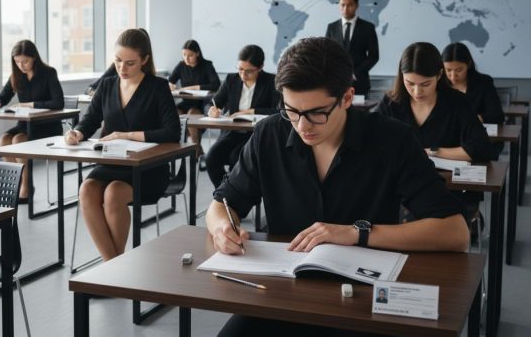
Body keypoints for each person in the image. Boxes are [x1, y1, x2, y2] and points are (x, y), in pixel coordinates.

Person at [206, 37, 468, 336]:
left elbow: (455, 232)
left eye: (317, 113)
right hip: (282, 293)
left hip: (362, 298)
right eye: (291, 111)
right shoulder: (270, 133)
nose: (302, 126)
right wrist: (222, 228)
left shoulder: (392, 139)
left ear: (346, 98)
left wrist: (357, 233)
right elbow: (222, 203)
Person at [64, 28, 180, 261]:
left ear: (144, 60)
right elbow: (90, 120)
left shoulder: (158, 87)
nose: (122, 68)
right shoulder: (107, 85)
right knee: (87, 190)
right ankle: (113, 265)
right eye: (118, 61)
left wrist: (126, 135)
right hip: (112, 162)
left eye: (130, 63)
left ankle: (111, 268)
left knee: (114, 193)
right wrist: (77, 132)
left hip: (148, 168)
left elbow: (172, 132)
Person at [376, 42, 495, 222]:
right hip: (403, 188)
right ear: (401, 76)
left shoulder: (457, 102)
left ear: (439, 75)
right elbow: (372, 142)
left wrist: (432, 152)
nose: (417, 91)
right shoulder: (390, 103)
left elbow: (481, 148)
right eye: (410, 83)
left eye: (425, 84)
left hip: (448, 189)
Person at [0, 39, 64, 202]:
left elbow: (58, 103)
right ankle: (17, 183)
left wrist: (30, 104)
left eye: (25, 61)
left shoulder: (48, 73)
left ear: (34, 58)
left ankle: (26, 185)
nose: (21, 65)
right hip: (26, 124)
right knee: (4, 140)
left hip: (47, 125)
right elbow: (3, 96)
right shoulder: (16, 75)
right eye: (17, 62)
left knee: (18, 140)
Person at [205, 44, 279, 188]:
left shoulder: (271, 81)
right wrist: (212, 110)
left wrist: (251, 111)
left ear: (260, 67)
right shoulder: (231, 80)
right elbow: (212, 103)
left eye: (249, 71)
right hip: (231, 133)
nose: (243, 75)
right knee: (211, 158)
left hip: (255, 135)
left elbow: (278, 111)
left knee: (236, 159)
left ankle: (232, 195)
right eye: (240, 69)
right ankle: (224, 194)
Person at [325, 0, 379, 96]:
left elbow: (374, 56)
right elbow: (326, 54)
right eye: (342, 5)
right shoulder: (332, 27)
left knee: (361, 107)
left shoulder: (368, 28)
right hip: (336, 82)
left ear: (356, 6)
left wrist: (356, 73)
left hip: (360, 82)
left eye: (349, 5)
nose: (345, 9)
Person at [168, 39, 221, 144]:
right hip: (186, 103)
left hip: (201, 104)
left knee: (192, 113)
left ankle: (196, 146)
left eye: (190, 55)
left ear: (197, 53)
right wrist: (171, 85)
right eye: (184, 55)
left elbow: (216, 84)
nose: (186, 58)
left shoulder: (207, 65)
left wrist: (194, 87)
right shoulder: (181, 65)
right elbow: (170, 80)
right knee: (174, 112)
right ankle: (178, 146)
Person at [441, 42, 505, 124]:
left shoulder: (484, 82)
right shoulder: (439, 84)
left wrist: (474, 119)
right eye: (448, 70)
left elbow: (497, 115)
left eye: (459, 70)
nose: (453, 76)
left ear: (469, 65)